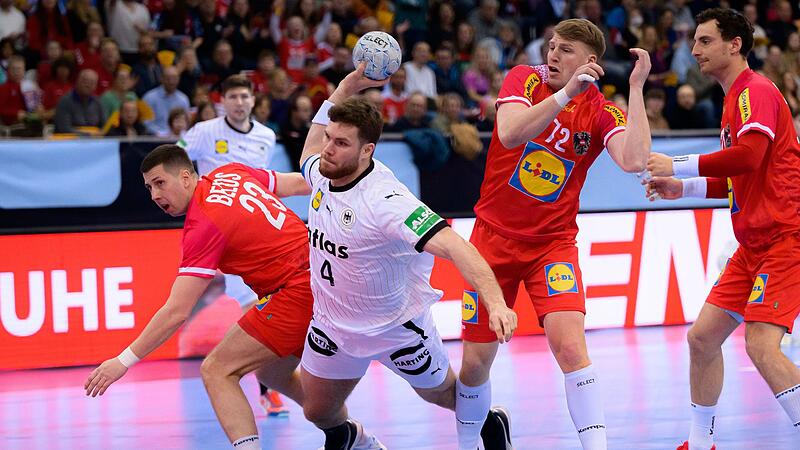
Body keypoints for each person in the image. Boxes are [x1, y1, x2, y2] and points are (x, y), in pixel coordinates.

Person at [84, 145, 381, 450]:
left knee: (217, 370)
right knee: (270, 371)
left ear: (186, 177)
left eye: (160, 183)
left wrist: (123, 361)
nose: (155, 195)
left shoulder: (203, 224)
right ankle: (346, 435)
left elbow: (176, 312)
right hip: (327, 272)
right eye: (148, 187)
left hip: (298, 290)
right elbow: (298, 183)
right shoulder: (231, 173)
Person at [297, 63, 518, 450]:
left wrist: (496, 302)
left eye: (341, 143)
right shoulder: (323, 170)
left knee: (444, 396)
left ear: (367, 151)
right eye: (329, 138)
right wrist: (347, 85)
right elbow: (310, 146)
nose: (328, 150)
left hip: (395, 328)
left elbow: (454, 245)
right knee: (317, 411)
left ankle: (490, 424)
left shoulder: (387, 201)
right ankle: (356, 441)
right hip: (334, 326)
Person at [457, 18, 651, 450]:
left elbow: (635, 160)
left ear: (591, 61)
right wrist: (566, 95)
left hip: (552, 245)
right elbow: (509, 133)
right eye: (552, 46)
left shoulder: (603, 111)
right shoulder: (526, 79)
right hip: (491, 241)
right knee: (474, 364)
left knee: (570, 348)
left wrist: (636, 88)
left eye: (565, 50)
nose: (553, 55)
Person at [644, 9, 800, 450]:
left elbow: (748, 157)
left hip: (785, 238)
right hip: (753, 245)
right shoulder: (734, 99)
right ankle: (701, 441)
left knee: (762, 347)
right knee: (702, 338)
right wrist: (684, 186)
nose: (695, 50)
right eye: (695, 41)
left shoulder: (755, 91)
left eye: (705, 41)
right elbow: (742, 176)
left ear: (735, 44)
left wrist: (678, 163)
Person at [177, 74, 284, 412]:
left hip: (259, 230)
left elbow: (265, 183)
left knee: (264, 306)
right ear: (222, 101)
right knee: (254, 307)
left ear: (253, 100)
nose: (239, 103)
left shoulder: (266, 136)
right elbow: (174, 156)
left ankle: (261, 382)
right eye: (233, 97)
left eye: (244, 97)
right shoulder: (205, 132)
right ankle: (264, 388)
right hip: (221, 233)